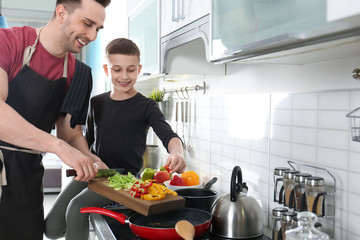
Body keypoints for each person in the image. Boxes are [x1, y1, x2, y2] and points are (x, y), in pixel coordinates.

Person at [44, 38, 186, 240]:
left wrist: (177, 152)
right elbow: (88, 142)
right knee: (51, 229)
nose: (124, 76)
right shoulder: (96, 103)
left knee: (76, 209)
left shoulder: (147, 106)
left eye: (131, 69)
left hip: (123, 180)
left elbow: (169, 136)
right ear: (106, 69)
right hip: (95, 172)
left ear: (139, 69)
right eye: (117, 69)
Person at [0, 0, 111, 239]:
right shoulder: (8, 42)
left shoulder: (79, 74)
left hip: (28, 181)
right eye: (87, 23)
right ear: (61, 13)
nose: (92, 35)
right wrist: (57, 147)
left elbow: (69, 134)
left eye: (98, 29)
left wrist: (90, 160)